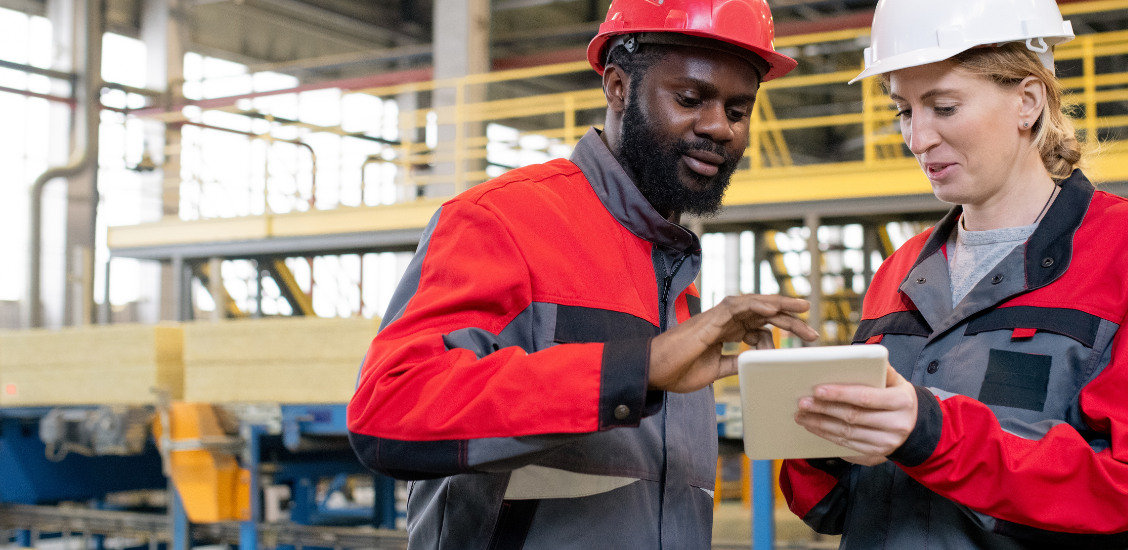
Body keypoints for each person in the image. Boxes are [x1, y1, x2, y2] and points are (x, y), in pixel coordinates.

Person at [345, 0, 817, 548]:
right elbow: (389, 408)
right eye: (690, 99)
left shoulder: (674, 271)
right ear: (617, 87)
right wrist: (635, 370)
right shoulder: (502, 221)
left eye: (738, 111)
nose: (718, 127)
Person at [779, 0, 1128, 548]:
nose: (917, 138)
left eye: (944, 107)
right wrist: (825, 438)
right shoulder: (900, 272)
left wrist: (930, 433)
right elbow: (830, 506)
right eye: (904, 111)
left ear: (1027, 101)